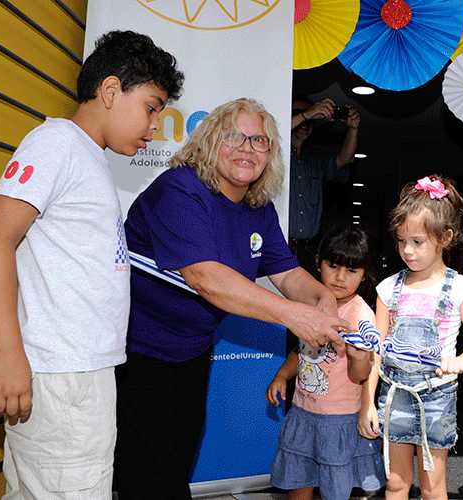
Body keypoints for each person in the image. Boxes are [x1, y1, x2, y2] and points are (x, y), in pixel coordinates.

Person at [0, 30, 183, 499]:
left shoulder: (89, 157)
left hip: (84, 371)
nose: (154, 127)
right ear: (111, 91)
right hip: (62, 373)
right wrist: (6, 352)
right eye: (151, 107)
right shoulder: (56, 143)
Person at [114, 98, 352, 500]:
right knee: (147, 473)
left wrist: (322, 297)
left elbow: (288, 273)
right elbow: (206, 279)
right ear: (209, 142)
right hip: (139, 350)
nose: (247, 148)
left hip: (191, 351)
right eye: (234, 137)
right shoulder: (181, 189)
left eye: (259, 140)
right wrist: (296, 317)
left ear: (271, 153)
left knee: (177, 464)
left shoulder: (259, 208)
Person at [358, 175, 463, 500]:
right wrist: (367, 404)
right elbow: (376, 351)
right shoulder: (388, 289)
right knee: (396, 484)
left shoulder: (462, 289)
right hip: (395, 395)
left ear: (445, 237)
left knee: (432, 487)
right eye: (401, 241)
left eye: (417, 242)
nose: (407, 251)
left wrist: (459, 361)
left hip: (437, 397)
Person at [267, 225, 385, 500]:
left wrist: (357, 355)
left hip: (338, 420)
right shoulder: (310, 301)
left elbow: (360, 375)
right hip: (302, 412)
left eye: (352, 271)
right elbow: (303, 350)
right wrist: (282, 376)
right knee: (299, 480)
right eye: (333, 266)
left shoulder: (360, 316)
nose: (340, 277)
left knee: (335, 489)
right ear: (318, 262)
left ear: (364, 274)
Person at [288, 96, 360, 273]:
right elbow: (270, 132)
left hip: (306, 251)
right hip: (277, 247)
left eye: (312, 119)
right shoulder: (272, 154)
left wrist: (353, 128)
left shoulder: (314, 162)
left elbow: (345, 158)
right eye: (299, 115)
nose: (307, 121)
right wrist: (308, 114)